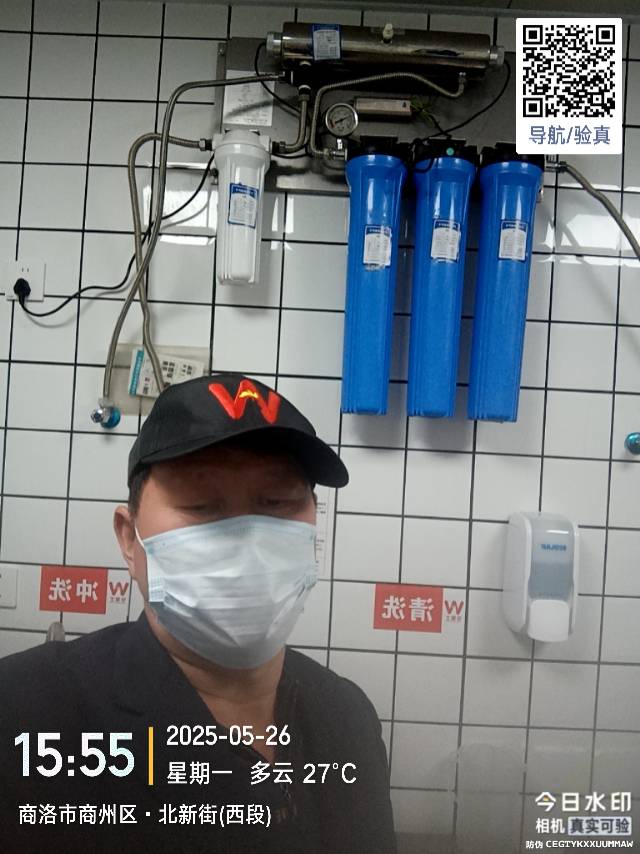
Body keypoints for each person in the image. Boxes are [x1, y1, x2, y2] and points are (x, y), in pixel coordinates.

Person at [0, 372, 397, 854]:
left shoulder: (347, 715)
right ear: (129, 538)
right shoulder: (25, 710)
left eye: (277, 502)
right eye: (202, 505)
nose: (248, 538)